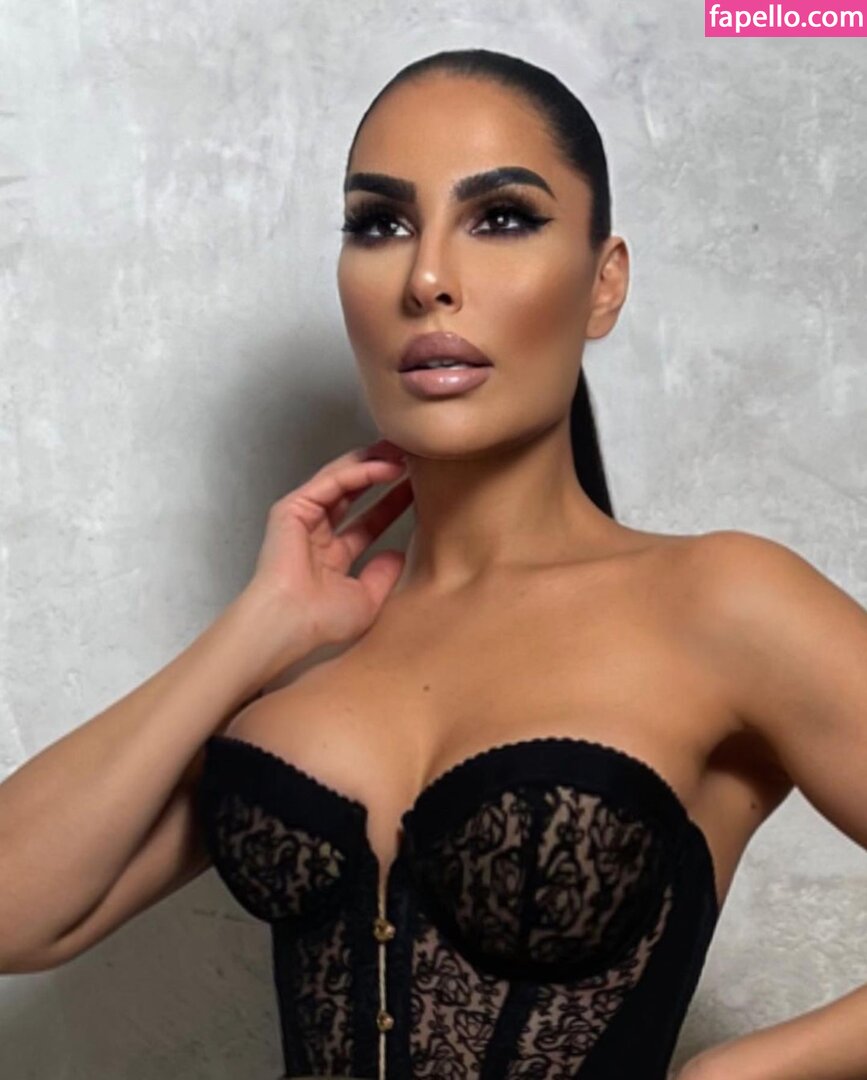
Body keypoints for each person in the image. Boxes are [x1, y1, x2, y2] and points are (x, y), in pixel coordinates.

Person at [3, 45, 867, 1080]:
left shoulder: (719, 602)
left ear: (603, 283)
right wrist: (257, 626)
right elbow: (16, 915)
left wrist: (731, 1076)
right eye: (380, 223)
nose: (426, 279)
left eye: (500, 217)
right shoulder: (301, 663)